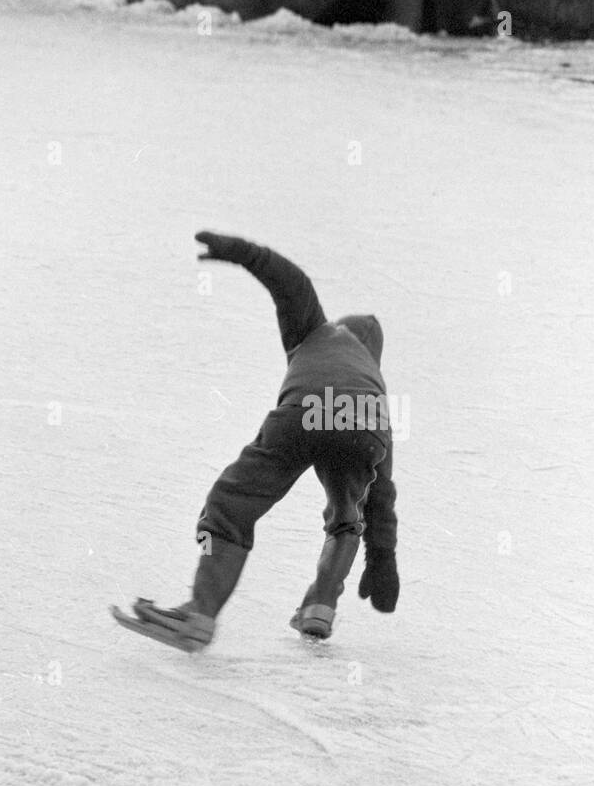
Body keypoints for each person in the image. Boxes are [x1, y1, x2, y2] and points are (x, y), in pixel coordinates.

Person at [111, 233, 399, 651]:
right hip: (366, 430)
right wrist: (383, 557)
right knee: (347, 515)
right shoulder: (376, 390)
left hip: (307, 411)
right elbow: (383, 492)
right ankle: (321, 604)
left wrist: (246, 254)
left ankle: (201, 612)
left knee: (230, 504)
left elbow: (291, 283)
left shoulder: (315, 331)